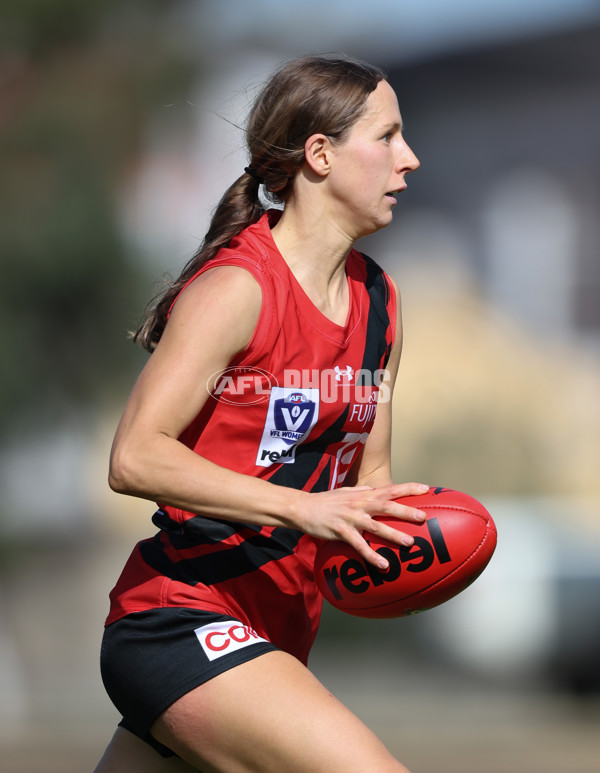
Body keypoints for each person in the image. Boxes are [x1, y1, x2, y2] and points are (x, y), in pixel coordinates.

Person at [95, 53, 425, 773]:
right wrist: (300, 510)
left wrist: (417, 549)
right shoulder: (238, 288)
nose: (411, 159)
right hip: (179, 616)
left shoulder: (383, 307)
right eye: (388, 137)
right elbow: (134, 456)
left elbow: (366, 490)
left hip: (276, 633)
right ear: (320, 155)